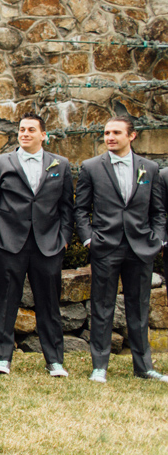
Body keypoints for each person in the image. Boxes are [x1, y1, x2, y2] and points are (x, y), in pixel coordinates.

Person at [75, 117, 167, 383]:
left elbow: (158, 211)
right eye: (106, 133)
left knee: (139, 308)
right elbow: (81, 209)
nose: (110, 137)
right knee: (102, 307)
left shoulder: (149, 168)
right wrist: (89, 239)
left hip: (140, 248)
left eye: (116, 132)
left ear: (132, 136)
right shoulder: (91, 167)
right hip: (105, 246)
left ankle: (144, 367)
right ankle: (99, 367)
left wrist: (158, 240)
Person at [0, 113, 74, 377]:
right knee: (4, 302)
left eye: (31, 130)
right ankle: (2, 358)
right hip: (8, 243)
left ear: (43, 135)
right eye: (22, 129)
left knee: (49, 304)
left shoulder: (61, 164)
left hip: (48, 244)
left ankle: (54, 360)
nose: (25, 133)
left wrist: (64, 240)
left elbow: (67, 206)